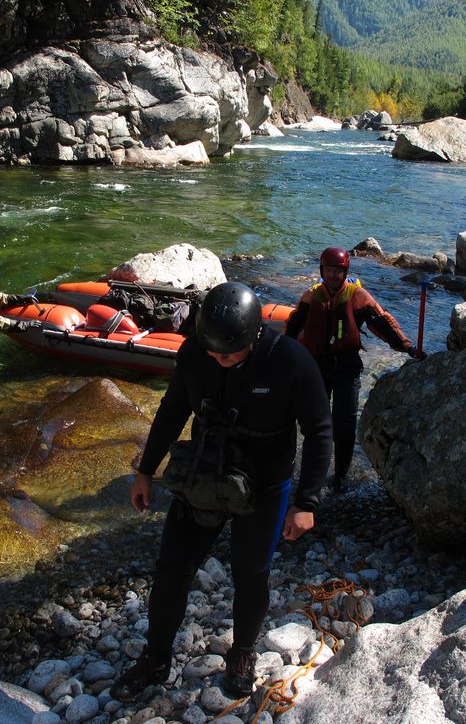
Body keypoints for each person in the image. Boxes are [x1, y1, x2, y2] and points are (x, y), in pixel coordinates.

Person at [111, 282, 333, 701]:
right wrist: (145, 471)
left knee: (250, 575)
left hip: (264, 486)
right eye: (213, 353)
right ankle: (155, 660)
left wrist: (306, 502)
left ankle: (242, 654)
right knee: (171, 570)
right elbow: (173, 408)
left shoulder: (290, 361)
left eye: (229, 355)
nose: (220, 361)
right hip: (204, 476)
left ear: (253, 337)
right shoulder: (197, 351)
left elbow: (320, 431)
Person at [285, 247, 419, 492]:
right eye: (328, 270)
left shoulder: (358, 296)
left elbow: (383, 323)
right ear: (322, 271)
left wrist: (408, 347)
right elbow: (292, 329)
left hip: (347, 368)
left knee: (344, 426)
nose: (333, 275)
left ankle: (340, 478)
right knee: (317, 424)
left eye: (337, 271)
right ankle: (313, 476)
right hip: (317, 367)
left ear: (345, 272)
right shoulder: (311, 296)